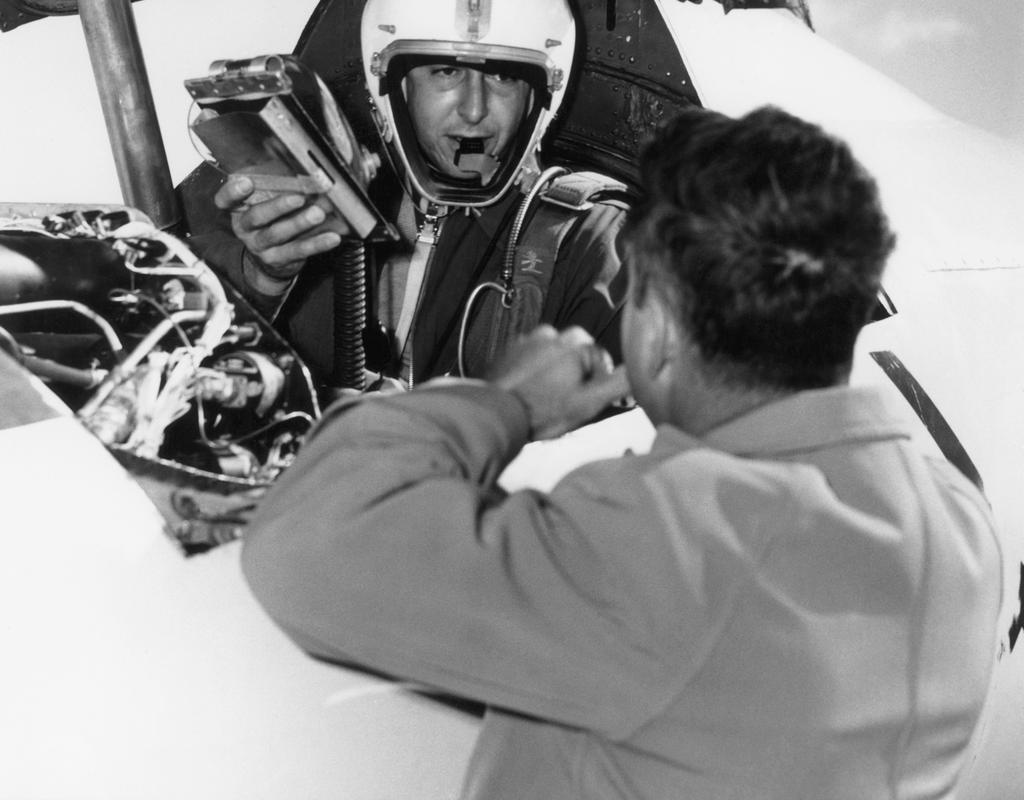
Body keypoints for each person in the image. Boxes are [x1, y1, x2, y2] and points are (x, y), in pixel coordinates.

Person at [241, 104, 1003, 800]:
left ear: (662, 331)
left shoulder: (671, 540)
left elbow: (307, 541)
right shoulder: (962, 525)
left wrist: (506, 402)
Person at [185, 0, 627, 389]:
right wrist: (263, 276)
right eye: (445, 72)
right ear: (394, 85)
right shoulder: (302, 202)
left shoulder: (592, 241)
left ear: (541, 94)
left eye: (503, 75)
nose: (474, 110)